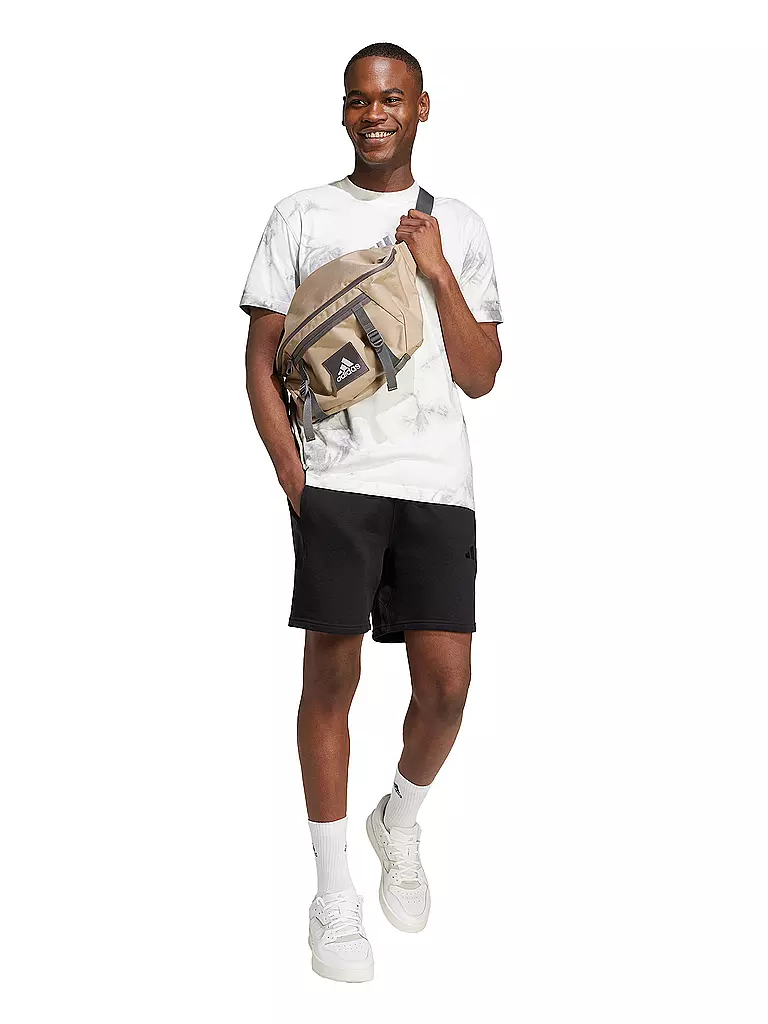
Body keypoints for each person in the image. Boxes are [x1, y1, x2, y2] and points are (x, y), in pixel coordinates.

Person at [241, 42, 502, 983]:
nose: (375, 113)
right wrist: (296, 479)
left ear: (421, 107)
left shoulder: (458, 224)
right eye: (359, 100)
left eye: (391, 98)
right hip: (339, 484)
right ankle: (332, 894)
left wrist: (437, 273)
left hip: (438, 483)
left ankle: (398, 819)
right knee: (331, 680)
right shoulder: (300, 215)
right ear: (344, 111)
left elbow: (481, 375)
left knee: (448, 689)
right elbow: (260, 358)